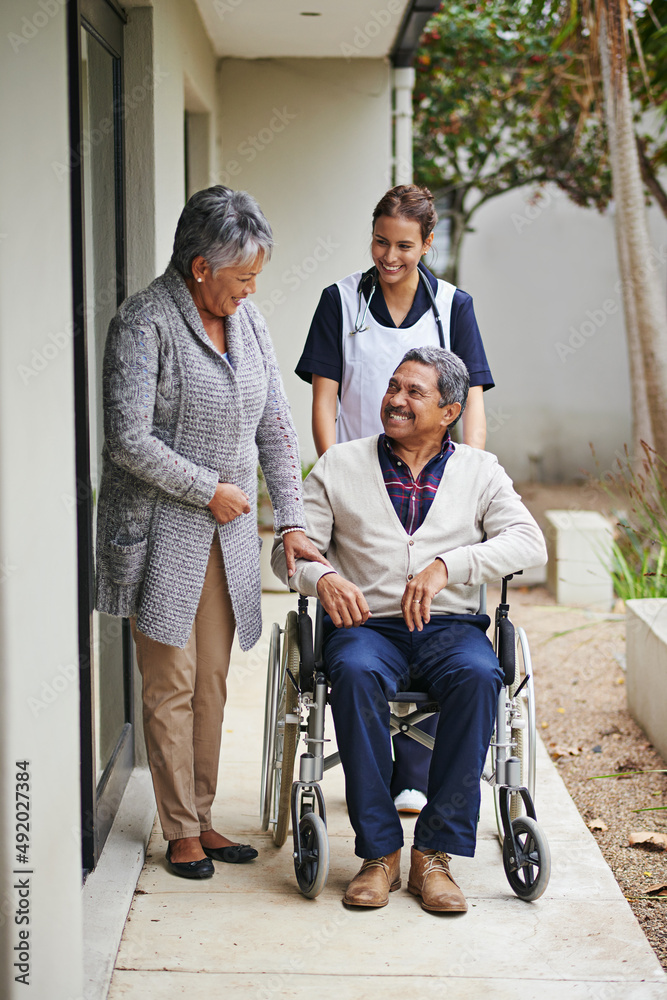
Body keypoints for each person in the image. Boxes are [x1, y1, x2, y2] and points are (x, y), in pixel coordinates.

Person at [96, 186, 327, 880]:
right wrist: (210, 489)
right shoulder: (144, 323)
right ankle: (180, 831)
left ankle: (200, 810)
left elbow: (276, 427)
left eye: (256, 277)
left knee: (215, 682)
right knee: (172, 681)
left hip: (225, 536)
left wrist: (291, 517)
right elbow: (127, 439)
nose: (251, 289)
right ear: (201, 267)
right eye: (242, 276)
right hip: (163, 531)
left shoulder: (247, 320)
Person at [272, 347, 546, 912]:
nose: (395, 400)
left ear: (449, 411)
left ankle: (433, 857)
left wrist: (451, 565)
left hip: (450, 628)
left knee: (478, 676)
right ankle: (378, 855)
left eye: (413, 392)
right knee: (348, 670)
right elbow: (288, 555)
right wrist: (320, 576)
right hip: (367, 626)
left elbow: (529, 542)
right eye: (393, 387)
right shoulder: (340, 465)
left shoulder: (479, 470)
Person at [295, 184, 495, 815]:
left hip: (432, 478)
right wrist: (338, 473)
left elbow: (473, 408)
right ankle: (377, 778)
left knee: (434, 625)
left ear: (427, 245)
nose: (389, 255)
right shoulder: (341, 301)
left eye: (404, 245)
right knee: (368, 627)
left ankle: (415, 770)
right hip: (360, 482)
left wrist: (468, 474)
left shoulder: (453, 306)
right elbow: (325, 397)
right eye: (380, 241)